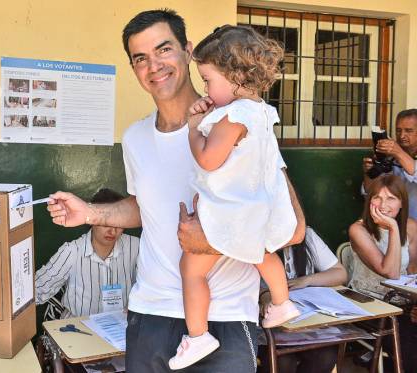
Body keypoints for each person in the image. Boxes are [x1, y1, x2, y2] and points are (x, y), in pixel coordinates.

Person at [46, 9, 305, 373]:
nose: (154, 66)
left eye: (163, 49)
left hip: (226, 315)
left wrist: (211, 241)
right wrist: (90, 213)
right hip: (150, 313)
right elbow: (145, 207)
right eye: (141, 59)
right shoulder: (135, 138)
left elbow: (290, 227)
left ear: (187, 50)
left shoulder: (239, 124)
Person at [166, 25, 300, 370]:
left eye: (209, 80)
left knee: (191, 269)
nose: (206, 87)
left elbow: (209, 159)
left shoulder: (234, 115)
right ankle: (282, 302)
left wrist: (194, 127)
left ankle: (198, 336)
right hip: (258, 209)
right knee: (261, 253)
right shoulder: (261, 111)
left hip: (231, 212)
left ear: (236, 76)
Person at [35, 188, 139, 318]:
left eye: (118, 223)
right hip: (76, 329)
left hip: (119, 329)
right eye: (106, 223)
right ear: (92, 221)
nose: (112, 231)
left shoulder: (136, 247)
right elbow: (38, 289)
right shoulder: (72, 251)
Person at [349, 174, 417, 372]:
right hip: (371, 306)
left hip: (404, 302)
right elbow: (391, 272)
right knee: (411, 353)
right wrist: (394, 228)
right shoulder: (358, 229)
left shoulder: (412, 227)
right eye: (377, 197)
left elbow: (413, 271)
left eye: (391, 198)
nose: (383, 205)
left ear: (402, 203)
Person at [257, 227, 348, 373]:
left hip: (307, 326)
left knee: (326, 356)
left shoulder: (306, 234)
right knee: (283, 362)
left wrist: (308, 279)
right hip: (269, 328)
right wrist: (265, 296)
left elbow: (340, 273)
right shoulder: (254, 236)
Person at [362, 109, 417, 218]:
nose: (402, 136)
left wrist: (398, 153)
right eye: (398, 130)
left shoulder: (396, 152)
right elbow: (370, 193)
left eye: (409, 131)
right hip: (393, 223)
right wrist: (369, 173)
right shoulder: (389, 156)